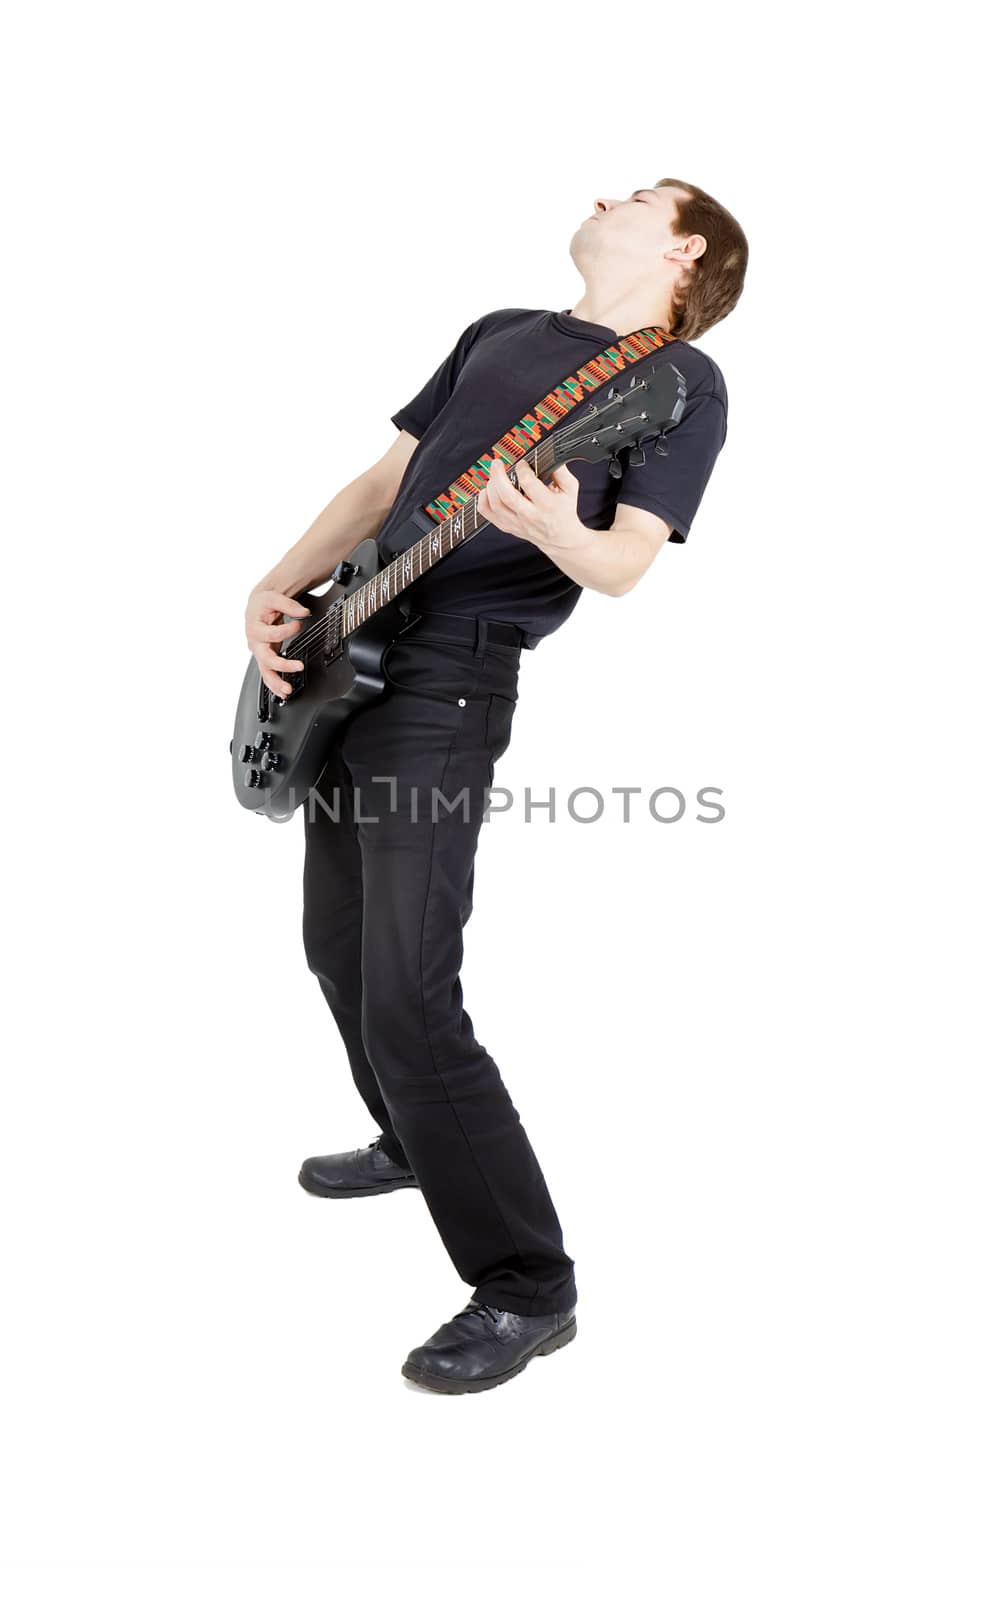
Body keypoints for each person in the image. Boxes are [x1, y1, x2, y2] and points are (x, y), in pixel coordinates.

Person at [243, 178, 749, 1395]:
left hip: (448, 690)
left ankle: (529, 1285)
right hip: (349, 652)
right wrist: (269, 586)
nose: (601, 196)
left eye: (636, 195)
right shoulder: (500, 330)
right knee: (336, 948)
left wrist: (550, 531)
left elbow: (622, 563)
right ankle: (416, 1138)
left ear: (685, 249)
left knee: (411, 995)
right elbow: (383, 487)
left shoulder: (679, 383)